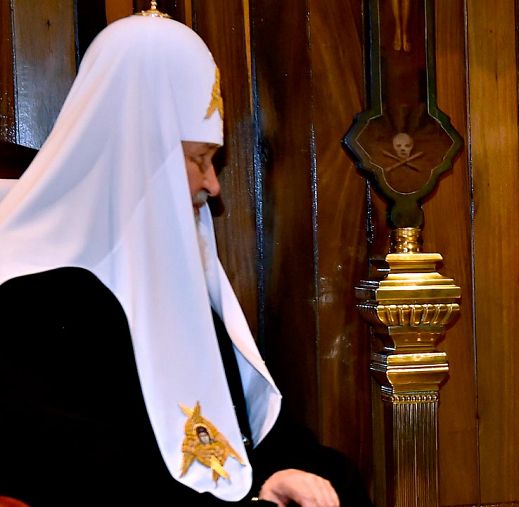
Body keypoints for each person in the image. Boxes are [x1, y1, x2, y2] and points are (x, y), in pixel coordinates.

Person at [0, 12, 369, 507]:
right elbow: (88, 482)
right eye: (198, 159)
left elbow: (261, 443)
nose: (213, 186)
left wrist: (303, 477)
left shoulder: (183, 291)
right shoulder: (32, 302)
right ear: (134, 156)